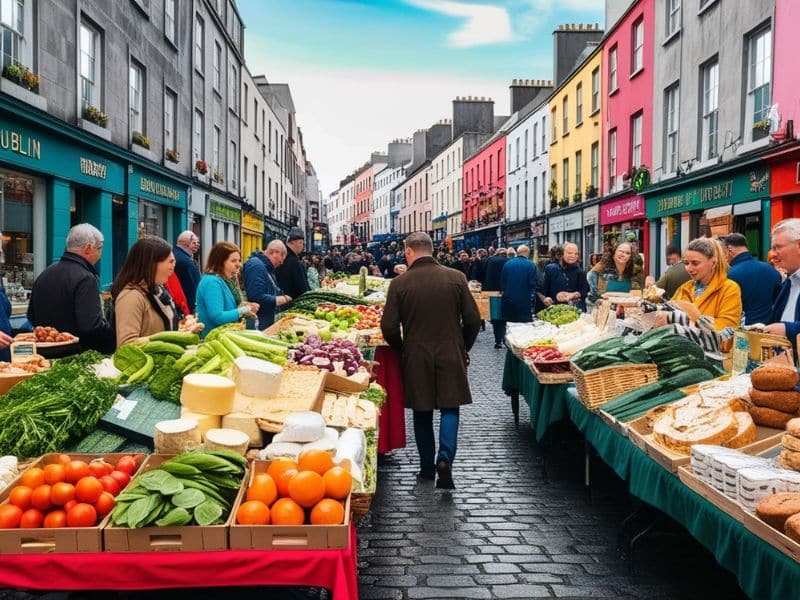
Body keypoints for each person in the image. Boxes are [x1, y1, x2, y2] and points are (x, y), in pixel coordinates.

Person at [380, 232, 481, 489]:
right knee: (450, 406)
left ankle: (427, 467)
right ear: (432, 250)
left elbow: (389, 327)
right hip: (450, 350)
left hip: (415, 353)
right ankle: (445, 458)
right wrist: (463, 346)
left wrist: (403, 348)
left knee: (422, 411)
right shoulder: (456, 278)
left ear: (408, 252)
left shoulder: (399, 284)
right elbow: (472, 320)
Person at [27, 223, 115, 354]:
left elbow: (31, 316)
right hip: (75, 357)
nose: (100, 254)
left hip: (43, 355)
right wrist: (112, 338)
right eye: (99, 248)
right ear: (88, 248)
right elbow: (91, 326)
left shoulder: (45, 273)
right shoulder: (86, 278)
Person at [111, 237, 178, 346]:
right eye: (170, 262)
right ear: (151, 264)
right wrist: (167, 339)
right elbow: (127, 344)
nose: (173, 268)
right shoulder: (131, 297)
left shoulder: (156, 290)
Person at [669, 237, 742, 330]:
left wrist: (685, 320)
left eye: (695, 263)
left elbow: (726, 329)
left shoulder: (729, 289)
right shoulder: (685, 288)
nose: (689, 268)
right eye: (686, 263)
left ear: (713, 262)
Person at [195, 242, 258, 338]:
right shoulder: (212, 282)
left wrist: (245, 306)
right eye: (233, 261)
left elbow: (228, 307)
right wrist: (245, 309)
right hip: (212, 341)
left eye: (239, 260)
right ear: (220, 262)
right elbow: (218, 316)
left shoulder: (224, 280)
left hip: (224, 337)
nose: (239, 265)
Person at [722, 233, 780, 326]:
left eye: (723, 253)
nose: (724, 257)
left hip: (742, 331)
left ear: (730, 250)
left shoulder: (729, 275)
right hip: (769, 329)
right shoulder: (772, 271)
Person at [242, 241, 291, 329]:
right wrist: (280, 299)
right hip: (258, 325)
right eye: (282, 256)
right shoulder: (256, 266)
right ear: (274, 252)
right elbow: (255, 296)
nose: (282, 262)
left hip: (264, 323)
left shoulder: (266, 268)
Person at [766, 219, 800, 340]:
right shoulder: (788, 282)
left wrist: (787, 329)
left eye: (777, 247)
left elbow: (785, 327)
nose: (772, 254)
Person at [539, 242, 590, 311]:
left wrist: (571, 295)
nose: (573, 256)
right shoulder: (551, 268)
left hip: (573, 311)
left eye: (576, 254)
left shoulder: (580, 272)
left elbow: (584, 291)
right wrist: (545, 298)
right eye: (569, 253)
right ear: (561, 254)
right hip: (553, 311)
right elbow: (541, 290)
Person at [500, 245, 538, 324]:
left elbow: (503, 283)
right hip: (524, 301)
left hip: (508, 300)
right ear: (527, 253)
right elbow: (532, 284)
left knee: (510, 325)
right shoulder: (531, 265)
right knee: (524, 327)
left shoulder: (507, 264)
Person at [276, 228, 310, 300]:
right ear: (292, 242)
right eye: (300, 243)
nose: (302, 246)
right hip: (292, 302)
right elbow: (303, 289)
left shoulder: (280, 257)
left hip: (280, 299)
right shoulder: (294, 262)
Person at [484, 247, 509, 348]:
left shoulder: (489, 260)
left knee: (495, 318)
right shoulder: (508, 261)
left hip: (492, 292)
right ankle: (504, 338)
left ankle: (498, 340)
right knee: (504, 317)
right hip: (505, 292)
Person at [173, 230, 201, 313]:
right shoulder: (185, 261)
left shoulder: (175, 253)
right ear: (186, 243)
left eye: (197, 242)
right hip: (186, 304)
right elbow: (193, 286)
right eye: (194, 242)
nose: (197, 245)